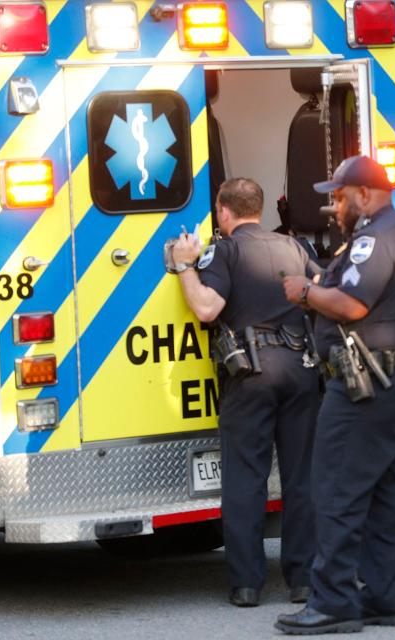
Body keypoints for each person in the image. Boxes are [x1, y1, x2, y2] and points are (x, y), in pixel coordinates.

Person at [275, 156, 395, 635]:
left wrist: (303, 291)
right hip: (393, 380)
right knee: (383, 492)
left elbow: (351, 304)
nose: (334, 204)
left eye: (340, 195)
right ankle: (384, 598)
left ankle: (333, 603)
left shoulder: (376, 238)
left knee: (335, 491)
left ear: (365, 193)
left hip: (368, 386)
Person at [170, 178, 320, 608]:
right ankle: (304, 581)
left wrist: (185, 266)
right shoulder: (295, 247)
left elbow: (206, 308)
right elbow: (322, 292)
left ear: (223, 211)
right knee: (301, 478)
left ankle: (247, 584)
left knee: (245, 479)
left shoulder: (225, 250)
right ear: (259, 207)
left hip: (251, 374)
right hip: (301, 369)